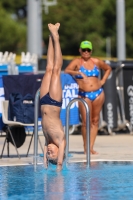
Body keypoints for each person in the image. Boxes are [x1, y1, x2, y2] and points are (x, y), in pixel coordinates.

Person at [64, 40, 111, 154]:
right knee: (86, 122)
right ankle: (85, 146)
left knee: (95, 121)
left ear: (91, 51)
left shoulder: (96, 61)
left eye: (88, 50)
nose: (86, 52)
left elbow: (108, 68)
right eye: (83, 50)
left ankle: (90, 147)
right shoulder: (77, 62)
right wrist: (78, 73)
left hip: (98, 93)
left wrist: (103, 80)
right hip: (84, 95)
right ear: (80, 50)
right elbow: (66, 70)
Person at [40, 23, 66, 171]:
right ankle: (56, 37)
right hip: (54, 102)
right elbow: (60, 163)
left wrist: (45, 160)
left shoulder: (47, 140)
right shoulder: (60, 140)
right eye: (52, 154)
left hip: (43, 100)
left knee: (49, 68)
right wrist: (58, 166)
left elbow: (46, 151)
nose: (49, 152)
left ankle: (50, 36)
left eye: (48, 154)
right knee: (56, 70)